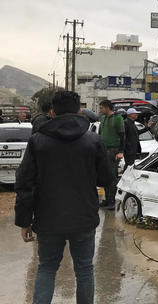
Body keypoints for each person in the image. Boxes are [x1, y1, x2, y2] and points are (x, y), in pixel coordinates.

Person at [14, 90, 112, 304]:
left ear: (52, 112)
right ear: (79, 110)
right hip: (84, 218)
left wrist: (24, 221)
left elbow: (24, 183)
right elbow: (107, 178)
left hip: (48, 219)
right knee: (85, 270)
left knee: (47, 268)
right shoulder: (93, 140)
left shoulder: (38, 141)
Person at [98, 99, 125, 210]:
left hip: (113, 150)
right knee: (104, 175)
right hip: (103, 150)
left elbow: (123, 135)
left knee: (112, 176)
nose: (100, 110)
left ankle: (112, 201)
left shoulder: (118, 118)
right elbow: (100, 134)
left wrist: (121, 151)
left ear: (107, 108)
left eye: (101, 108)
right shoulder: (103, 118)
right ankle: (107, 199)